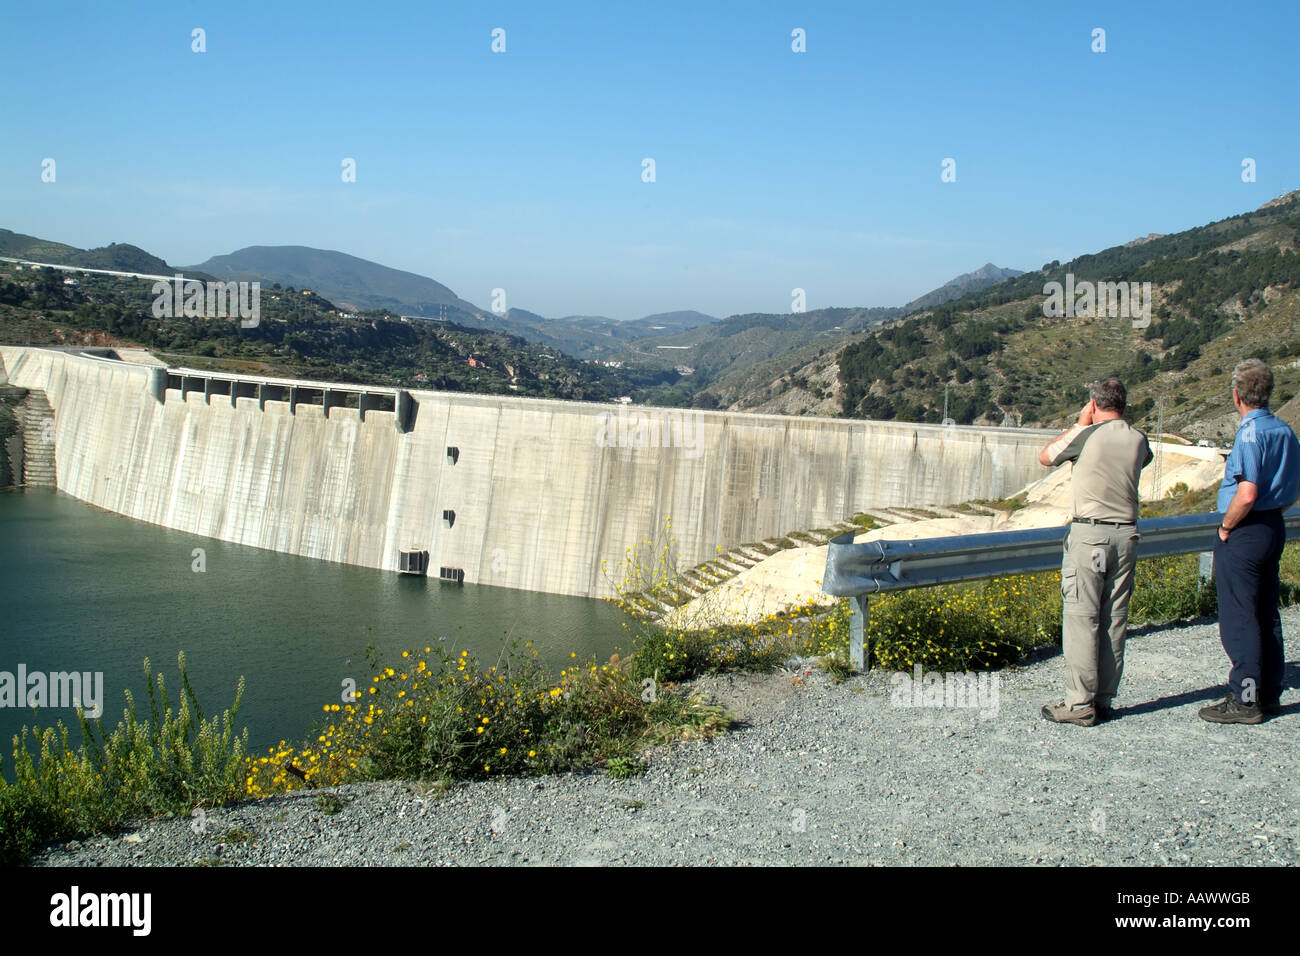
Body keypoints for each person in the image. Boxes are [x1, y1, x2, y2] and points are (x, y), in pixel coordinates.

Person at [1036, 378, 1152, 726]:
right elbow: (1140, 462)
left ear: (1093, 403)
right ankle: (1103, 699)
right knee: (1114, 619)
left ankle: (1078, 703)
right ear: (1124, 404)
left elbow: (1047, 457)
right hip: (1126, 537)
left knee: (1082, 618)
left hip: (1091, 539)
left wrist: (1080, 422)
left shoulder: (1087, 435)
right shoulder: (1139, 439)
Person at [1202, 358, 1300, 724]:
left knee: (1239, 618)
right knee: (1265, 612)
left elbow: (1247, 492)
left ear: (1236, 395)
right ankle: (1269, 693)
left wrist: (1226, 527)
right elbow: (1291, 489)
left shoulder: (1249, 433)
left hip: (1245, 532)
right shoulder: (1285, 431)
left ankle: (1244, 699)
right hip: (1273, 526)